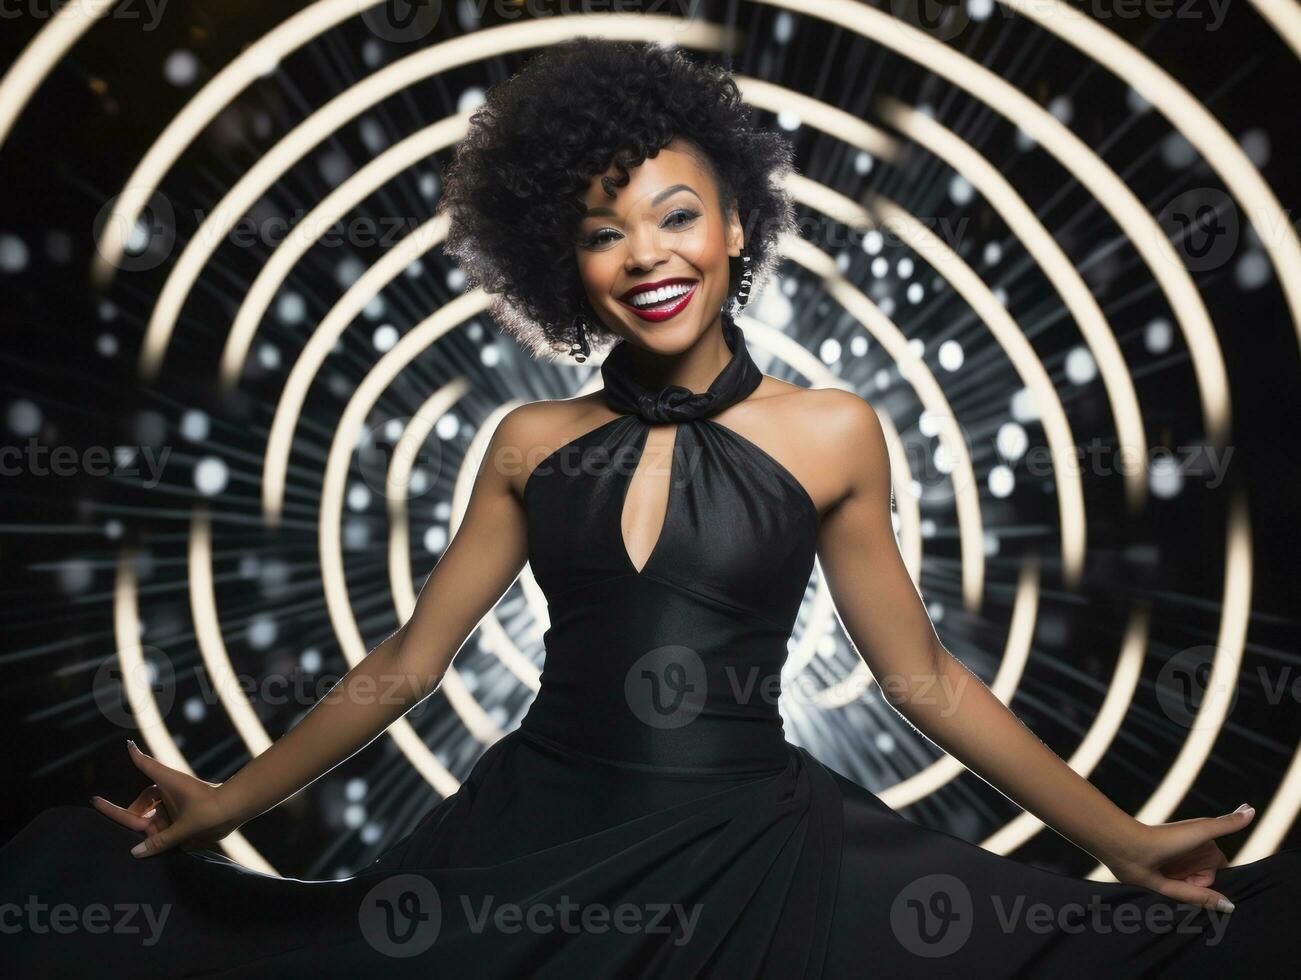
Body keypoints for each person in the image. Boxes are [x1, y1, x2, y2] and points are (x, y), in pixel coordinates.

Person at [3, 37, 1298, 978]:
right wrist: (224, 804)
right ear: (559, 263)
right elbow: (406, 664)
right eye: (603, 230)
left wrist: (1120, 840)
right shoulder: (528, 439)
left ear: (738, 222)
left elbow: (919, 681)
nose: (647, 255)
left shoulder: (830, 428)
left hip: (752, 843)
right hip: (528, 838)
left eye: (676, 215)